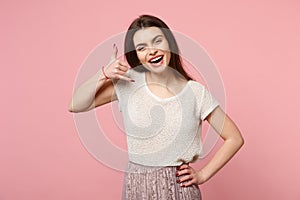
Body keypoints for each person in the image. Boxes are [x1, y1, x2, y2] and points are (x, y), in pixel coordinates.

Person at [68, 14, 244, 200]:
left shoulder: (196, 92)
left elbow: (234, 138)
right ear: (136, 55)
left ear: (169, 44)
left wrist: (203, 175)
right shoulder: (129, 81)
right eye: (142, 48)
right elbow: (75, 105)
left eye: (157, 41)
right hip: (137, 187)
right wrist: (103, 73)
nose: (151, 51)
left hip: (180, 189)